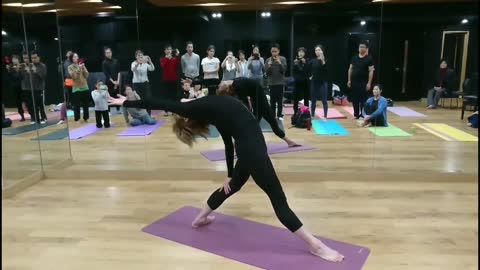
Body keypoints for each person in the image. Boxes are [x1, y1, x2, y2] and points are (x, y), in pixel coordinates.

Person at [108, 94, 344, 263]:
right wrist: (127, 103)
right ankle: (316, 247)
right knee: (278, 200)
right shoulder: (204, 104)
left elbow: (227, 143)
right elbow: (156, 102)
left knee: (234, 185)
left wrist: (230, 175)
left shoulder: (208, 109)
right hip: (254, 150)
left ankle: (200, 218)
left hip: (249, 149)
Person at [217, 77, 299, 147]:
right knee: (259, 124)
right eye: (221, 85)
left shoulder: (234, 82)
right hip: (258, 100)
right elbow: (246, 104)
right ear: (226, 88)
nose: (220, 83)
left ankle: (289, 142)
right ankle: (239, 144)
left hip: (259, 99)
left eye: (220, 84)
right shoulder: (236, 86)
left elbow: (247, 103)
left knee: (267, 123)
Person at [347, 40, 374, 119]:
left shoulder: (369, 58)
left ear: (366, 48)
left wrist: (369, 83)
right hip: (354, 82)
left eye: (362, 47)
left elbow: (371, 71)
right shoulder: (354, 57)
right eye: (360, 47)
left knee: (363, 99)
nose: (360, 48)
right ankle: (356, 114)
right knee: (355, 99)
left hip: (363, 82)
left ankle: (362, 115)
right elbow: (350, 69)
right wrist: (349, 80)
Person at [21, 51, 48, 124]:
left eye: (35, 57)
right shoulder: (29, 66)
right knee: (32, 104)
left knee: (40, 104)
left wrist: (35, 71)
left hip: (39, 88)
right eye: (32, 58)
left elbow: (43, 76)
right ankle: (35, 118)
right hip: (31, 88)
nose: (33, 59)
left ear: (39, 57)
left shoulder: (42, 66)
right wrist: (26, 71)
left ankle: (43, 117)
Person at [265, 43, 287, 121]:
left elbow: (284, 71)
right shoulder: (268, 60)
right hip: (271, 83)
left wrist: (280, 63)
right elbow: (267, 73)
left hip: (280, 83)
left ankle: (279, 115)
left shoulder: (283, 59)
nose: (274, 53)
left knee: (280, 100)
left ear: (278, 51)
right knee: (272, 101)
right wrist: (269, 66)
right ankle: (273, 115)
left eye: (275, 51)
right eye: (272, 51)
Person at [308, 45, 329, 121]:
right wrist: (310, 76)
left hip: (322, 83)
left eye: (319, 50)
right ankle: (312, 115)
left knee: (324, 100)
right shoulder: (313, 61)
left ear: (322, 51)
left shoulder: (326, 60)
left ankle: (325, 116)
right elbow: (308, 69)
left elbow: (326, 70)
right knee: (313, 100)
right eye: (316, 50)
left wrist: (323, 60)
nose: (317, 51)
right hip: (314, 82)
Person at [68, 52, 90, 122]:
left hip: (85, 87)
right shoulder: (70, 67)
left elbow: (87, 76)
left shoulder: (81, 65)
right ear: (71, 58)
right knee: (76, 105)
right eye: (74, 57)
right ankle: (77, 118)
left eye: (77, 56)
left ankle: (86, 118)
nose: (76, 58)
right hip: (76, 88)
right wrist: (78, 68)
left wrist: (83, 68)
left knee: (86, 104)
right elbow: (74, 77)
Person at [131, 50, 155, 115]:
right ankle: (139, 114)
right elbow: (133, 69)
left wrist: (149, 61)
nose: (140, 56)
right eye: (138, 55)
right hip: (136, 84)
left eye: (141, 55)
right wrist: (138, 63)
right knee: (137, 99)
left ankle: (148, 114)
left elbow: (152, 69)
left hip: (145, 83)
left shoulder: (145, 64)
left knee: (147, 98)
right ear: (136, 57)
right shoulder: (133, 63)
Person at [160, 45, 181, 116]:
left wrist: (177, 56)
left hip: (174, 80)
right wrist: (166, 58)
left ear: (172, 50)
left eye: (170, 49)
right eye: (167, 49)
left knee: (174, 96)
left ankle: (174, 110)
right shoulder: (162, 58)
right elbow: (162, 65)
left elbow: (178, 65)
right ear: (165, 51)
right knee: (166, 96)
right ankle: (166, 111)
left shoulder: (174, 59)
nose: (169, 50)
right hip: (166, 80)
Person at [6, 55, 25, 121]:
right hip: (15, 87)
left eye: (15, 59)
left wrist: (18, 70)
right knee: (18, 102)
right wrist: (9, 70)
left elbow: (23, 76)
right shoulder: (11, 67)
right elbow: (10, 77)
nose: (14, 60)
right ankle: (22, 116)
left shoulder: (22, 66)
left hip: (23, 86)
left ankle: (32, 114)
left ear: (18, 60)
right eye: (13, 59)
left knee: (27, 101)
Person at [102, 47, 121, 113]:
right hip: (109, 81)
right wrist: (113, 82)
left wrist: (118, 81)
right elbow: (106, 74)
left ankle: (118, 109)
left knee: (117, 95)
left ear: (111, 53)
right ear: (105, 54)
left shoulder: (116, 61)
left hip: (117, 81)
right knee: (109, 95)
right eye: (107, 53)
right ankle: (109, 111)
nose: (108, 54)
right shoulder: (104, 63)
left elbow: (119, 71)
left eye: (109, 52)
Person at [57, 50, 73, 125]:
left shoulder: (74, 62)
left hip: (75, 83)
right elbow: (61, 73)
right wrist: (63, 81)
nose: (70, 54)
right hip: (67, 82)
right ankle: (62, 118)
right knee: (66, 100)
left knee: (74, 99)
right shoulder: (64, 63)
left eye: (71, 53)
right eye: (68, 53)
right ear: (66, 55)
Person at [292, 47, 309, 115]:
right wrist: (296, 64)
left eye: (302, 52)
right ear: (298, 53)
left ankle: (306, 112)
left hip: (305, 81)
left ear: (305, 53)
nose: (301, 53)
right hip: (297, 81)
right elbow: (294, 72)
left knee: (306, 98)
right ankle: (295, 113)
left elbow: (307, 71)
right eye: (299, 52)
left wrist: (305, 64)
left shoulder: (307, 60)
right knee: (296, 98)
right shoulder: (295, 61)